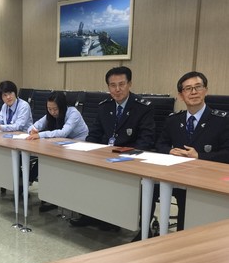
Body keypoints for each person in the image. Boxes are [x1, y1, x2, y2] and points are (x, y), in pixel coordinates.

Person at [71, 66, 155, 229]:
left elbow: (146, 139)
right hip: (105, 157)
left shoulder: (143, 107)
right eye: (113, 85)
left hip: (131, 159)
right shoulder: (104, 106)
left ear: (129, 84)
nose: (117, 89)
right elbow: (94, 134)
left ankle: (140, 228)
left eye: (121, 84)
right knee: (85, 171)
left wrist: (126, 158)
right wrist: (89, 152)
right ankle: (90, 214)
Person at [155, 71, 229, 230]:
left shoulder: (222, 120)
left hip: (208, 179)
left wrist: (199, 156)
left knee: (190, 212)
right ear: (181, 95)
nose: (193, 92)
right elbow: (160, 144)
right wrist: (169, 151)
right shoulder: (173, 120)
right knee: (146, 187)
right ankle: (145, 232)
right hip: (177, 176)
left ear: (206, 90)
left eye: (198, 87)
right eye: (188, 89)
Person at [27, 91, 89, 212]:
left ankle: (56, 196)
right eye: (49, 109)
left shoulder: (73, 113)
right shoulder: (50, 114)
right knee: (45, 159)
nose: (52, 112)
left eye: (55, 109)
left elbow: (63, 133)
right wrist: (32, 130)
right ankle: (49, 195)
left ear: (62, 106)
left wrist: (40, 134)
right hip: (62, 145)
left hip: (79, 146)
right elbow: (35, 126)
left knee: (52, 161)